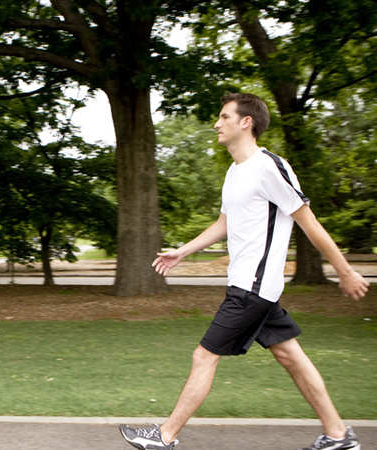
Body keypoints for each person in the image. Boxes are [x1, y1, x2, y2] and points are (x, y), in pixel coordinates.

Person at [119, 93, 368, 450]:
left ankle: (165, 436)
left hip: (253, 287)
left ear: (246, 122)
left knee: (204, 356)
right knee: (290, 356)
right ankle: (338, 435)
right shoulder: (235, 171)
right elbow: (224, 222)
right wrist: (183, 251)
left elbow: (308, 222)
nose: (217, 124)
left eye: (224, 117)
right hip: (252, 285)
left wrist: (344, 271)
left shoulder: (269, 167)